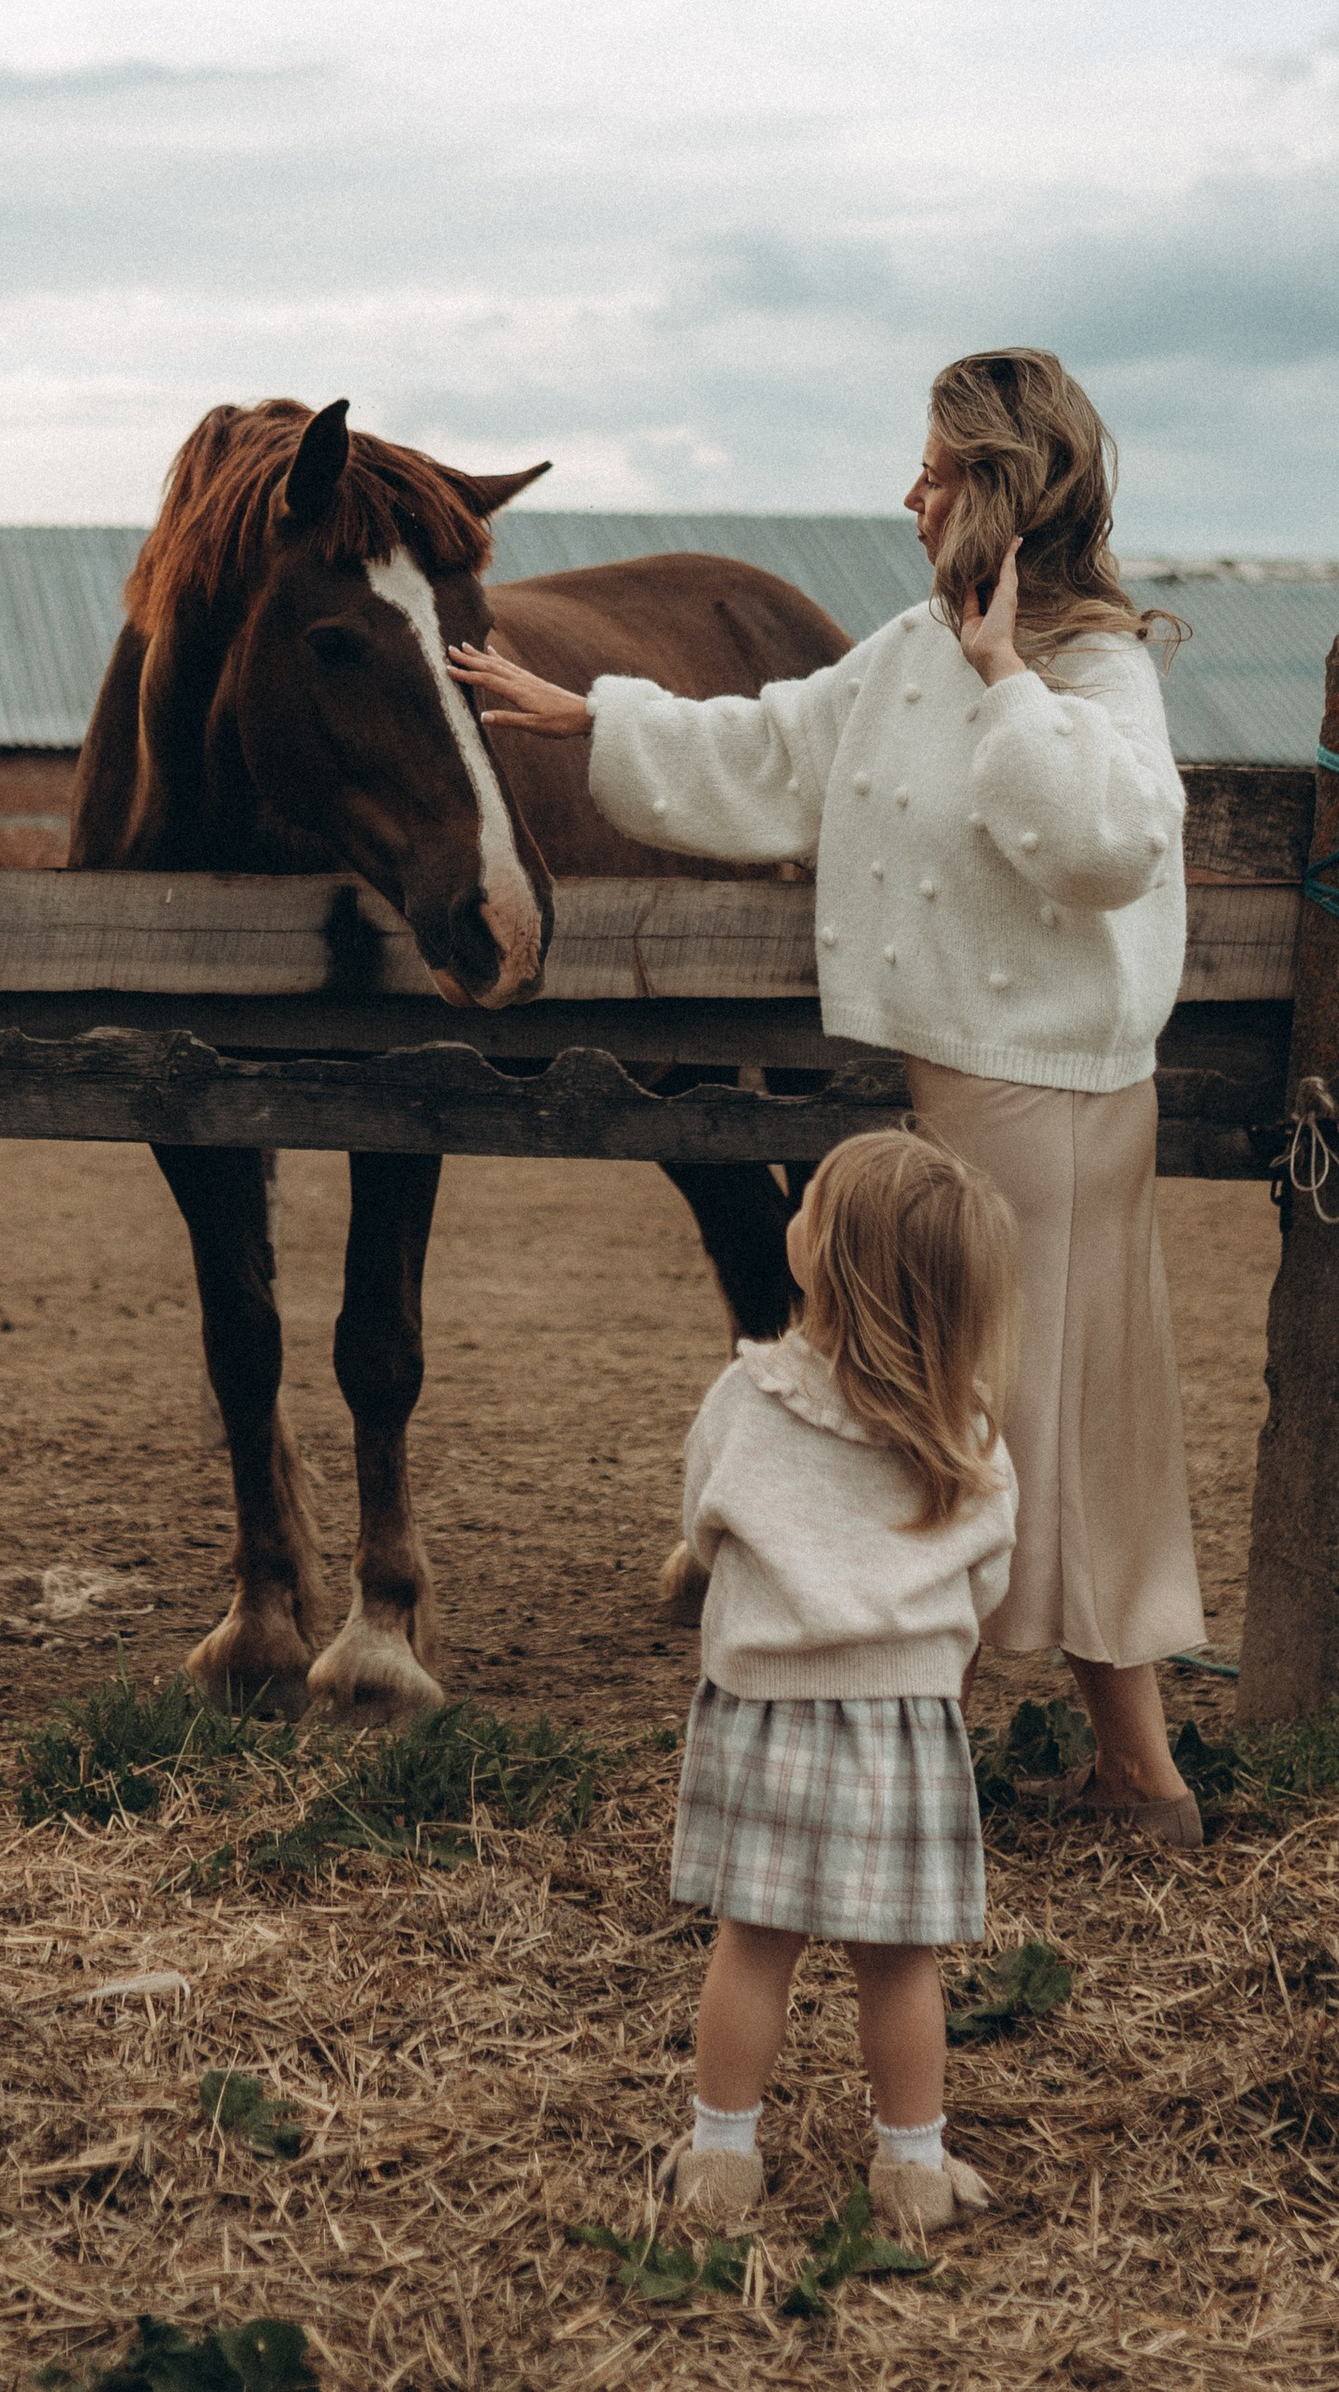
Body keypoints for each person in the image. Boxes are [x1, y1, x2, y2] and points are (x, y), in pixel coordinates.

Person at [450, 344, 1208, 1838]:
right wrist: (594, 721)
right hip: (982, 1095)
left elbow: (1111, 848)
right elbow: (783, 744)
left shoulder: (1090, 667)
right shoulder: (917, 646)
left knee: (985, 1426)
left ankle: (956, 1772)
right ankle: (1131, 1776)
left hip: (1047, 1107)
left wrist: (1005, 681)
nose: (909, 495)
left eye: (936, 469)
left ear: (1000, 486)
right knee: (1034, 1428)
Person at [651, 1128, 1018, 2235]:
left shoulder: (748, 1398)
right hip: (905, 1728)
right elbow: (989, 1580)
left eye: (806, 1205)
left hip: (765, 1717)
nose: (791, 1218)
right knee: (899, 1965)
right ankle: (910, 2166)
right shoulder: (969, 1435)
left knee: (753, 1949)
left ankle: (721, 2162)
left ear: (828, 1262)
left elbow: (700, 1528)